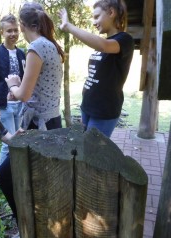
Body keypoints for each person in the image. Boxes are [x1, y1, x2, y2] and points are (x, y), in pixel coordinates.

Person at [0, 2, 65, 238]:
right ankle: (34, 231)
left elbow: (22, 94)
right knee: (37, 181)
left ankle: (29, 233)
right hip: (50, 123)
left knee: (4, 176)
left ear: (24, 26)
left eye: (19, 28)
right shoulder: (52, 45)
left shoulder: (36, 47)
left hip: (40, 127)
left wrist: (13, 84)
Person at [59, 0, 134, 138]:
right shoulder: (104, 43)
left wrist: (68, 26)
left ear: (111, 12)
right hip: (88, 106)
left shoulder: (125, 40)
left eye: (97, 17)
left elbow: (103, 45)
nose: (94, 22)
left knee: (92, 154)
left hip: (104, 111)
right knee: (84, 149)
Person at [0, 14, 26, 167]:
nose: (13, 34)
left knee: (18, 140)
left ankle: (15, 171)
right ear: (2, 32)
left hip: (20, 104)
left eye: (15, 30)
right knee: (8, 143)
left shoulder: (22, 54)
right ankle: (2, 175)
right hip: (4, 105)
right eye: (9, 31)